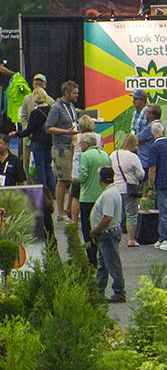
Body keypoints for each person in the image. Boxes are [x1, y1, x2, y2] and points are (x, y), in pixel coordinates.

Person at [141, 119, 167, 248]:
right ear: (163, 131)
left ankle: (165, 238)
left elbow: (152, 169)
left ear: (153, 134)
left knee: (165, 212)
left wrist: (150, 187)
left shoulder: (154, 147)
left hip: (162, 183)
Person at [46, 79, 80, 225]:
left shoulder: (71, 106)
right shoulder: (56, 108)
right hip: (61, 149)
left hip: (73, 147)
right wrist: (66, 131)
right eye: (75, 93)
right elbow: (48, 128)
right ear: (66, 93)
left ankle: (68, 209)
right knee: (63, 181)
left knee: (74, 179)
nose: (77, 95)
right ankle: (60, 213)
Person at [91, 166, 127, 301]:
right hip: (106, 234)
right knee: (103, 265)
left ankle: (119, 292)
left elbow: (107, 217)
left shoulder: (108, 195)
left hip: (108, 233)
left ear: (101, 179)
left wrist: (95, 230)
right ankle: (98, 290)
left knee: (112, 264)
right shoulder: (112, 191)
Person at [74, 132, 107, 262]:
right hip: (101, 196)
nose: (80, 145)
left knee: (88, 229)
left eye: (81, 143)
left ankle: (91, 258)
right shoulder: (104, 155)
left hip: (87, 197)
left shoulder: (85, 156)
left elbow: (83, 176)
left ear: (86, 144)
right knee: (101, 227)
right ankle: (103, 256)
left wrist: (75, 180)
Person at [108, 131, 145, 245]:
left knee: (118, 214)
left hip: (115, 188)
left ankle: (115, 238)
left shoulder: (113, 155)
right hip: (130, 189)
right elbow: (141, 174)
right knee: (131, 214)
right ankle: (131, 239)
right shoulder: (133, 157)